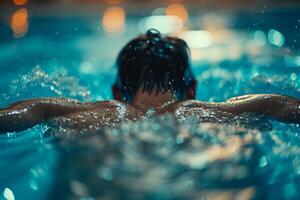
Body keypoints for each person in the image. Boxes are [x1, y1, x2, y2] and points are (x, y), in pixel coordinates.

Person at [0, 29, 300, 134]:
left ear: (117, 92)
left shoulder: (89, 114)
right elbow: (282, 105)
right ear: (192, 89)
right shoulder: (224, 113)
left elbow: (32, 110)